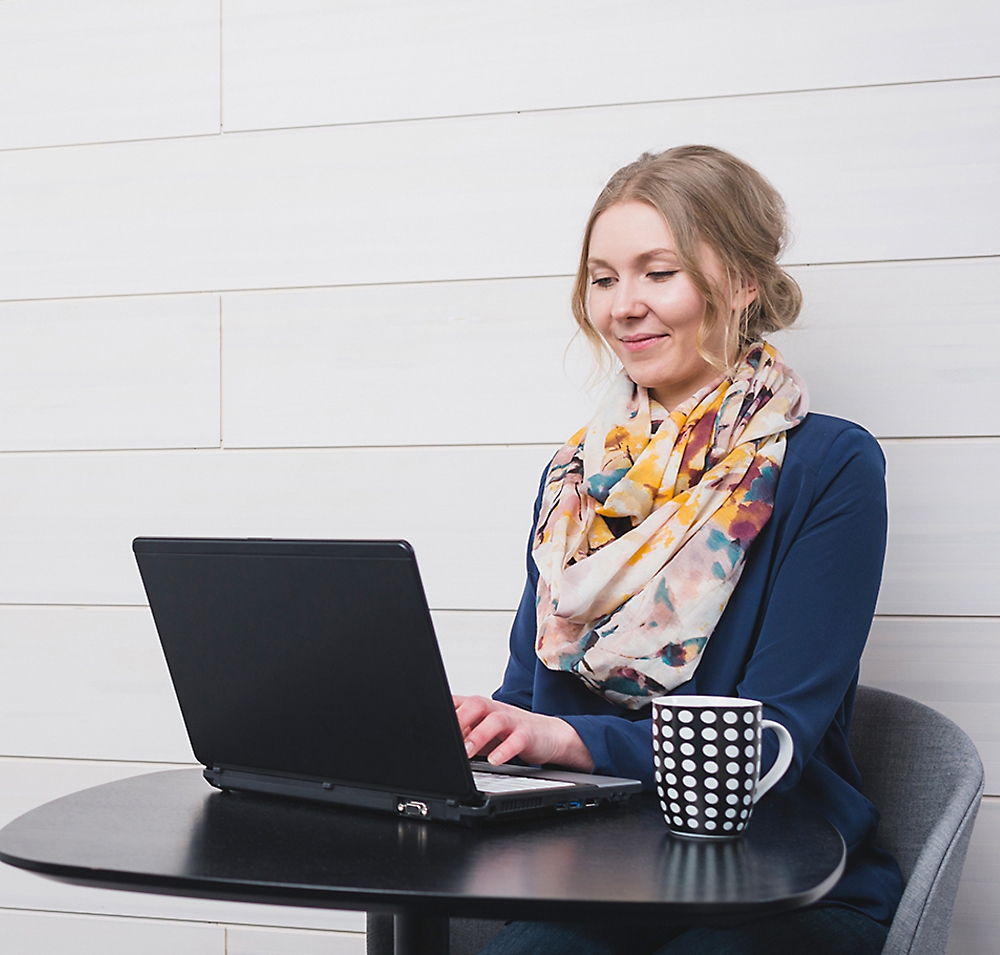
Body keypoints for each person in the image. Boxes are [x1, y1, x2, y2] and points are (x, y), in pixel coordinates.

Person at [453, 145, 903, 955]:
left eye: (657, 272)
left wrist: (574, 739)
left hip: (776, 884)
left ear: (739, 281)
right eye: (603, 277)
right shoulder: (572, 481)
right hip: (595, 877)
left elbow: (775, 738)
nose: (624, 306)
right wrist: (487, 733)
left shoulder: (830, 467)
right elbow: (531, 697)